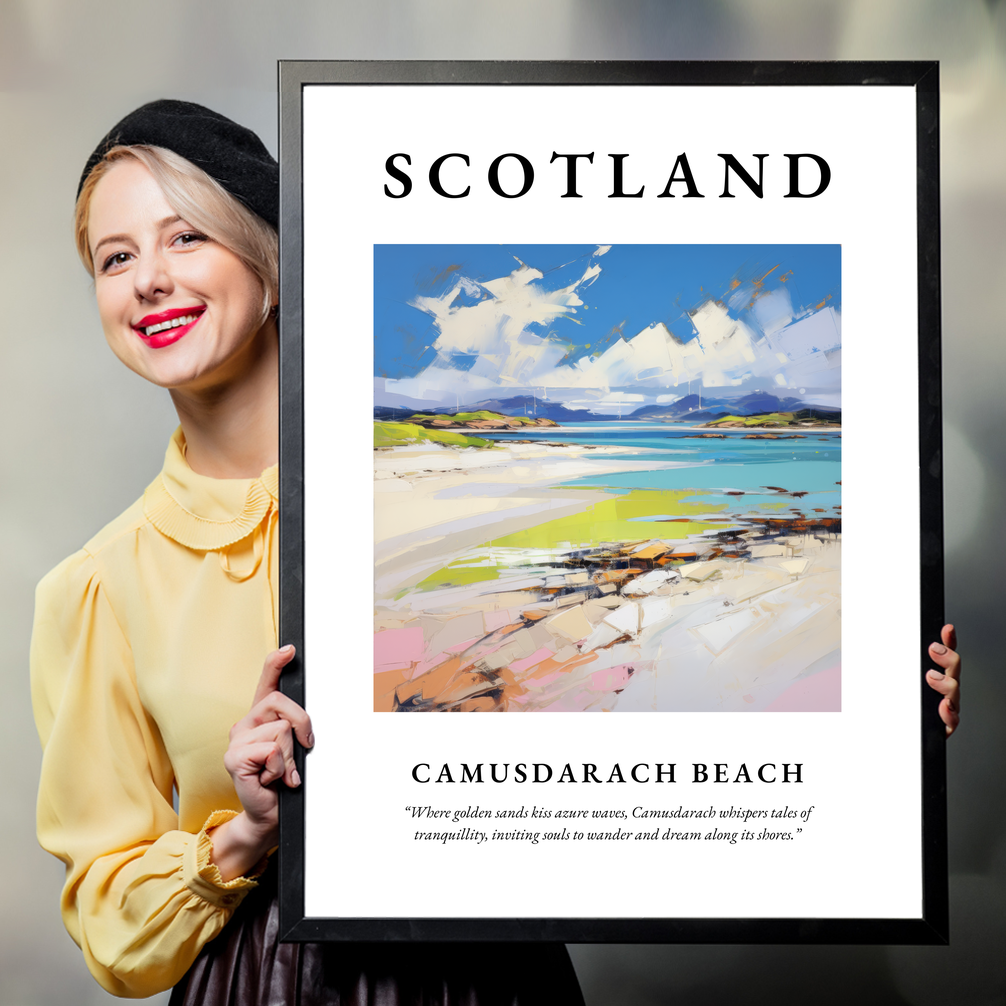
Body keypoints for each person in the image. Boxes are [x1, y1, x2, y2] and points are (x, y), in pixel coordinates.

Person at [30, 100, 586, 1004]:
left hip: (492, 973)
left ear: (273, 263)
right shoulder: (97, 587)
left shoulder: (456, 497)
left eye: (185, 239)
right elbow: (110, 923)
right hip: (261, 982)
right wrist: (245, 832)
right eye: (116, 257)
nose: (148, 281)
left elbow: (619, 697)